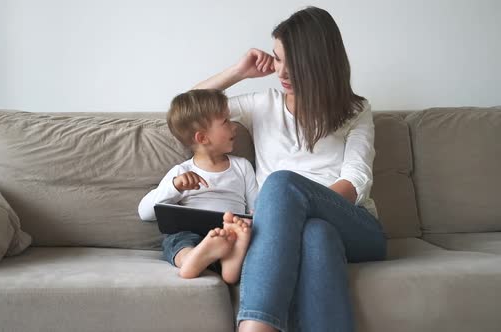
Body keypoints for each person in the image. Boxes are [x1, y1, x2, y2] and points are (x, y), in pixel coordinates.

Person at [192, 6, 387, 332]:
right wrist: (239, 72)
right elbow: (188, 110)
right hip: (307, 228)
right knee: (316, 234)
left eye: (293, 63)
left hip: (357, 227)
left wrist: (296, 203)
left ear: (320, 63)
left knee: (281, 185)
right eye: (278, 58)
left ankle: (255, 327)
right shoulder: (262, 104)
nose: (282, 72)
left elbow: (355, 182)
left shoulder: (355, 110)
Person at [138, 89, 258, 284]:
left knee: (246, 240)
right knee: (176, 242)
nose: (234, 127)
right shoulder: (181, 172)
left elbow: (255, 205)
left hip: (229, 233)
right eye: (226, 121)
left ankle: (228, 261)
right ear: (202, 138)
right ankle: (193, 258)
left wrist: (247, 224)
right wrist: (175, 187)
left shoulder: (242, 166)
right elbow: (145, 212)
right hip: (189, 234)